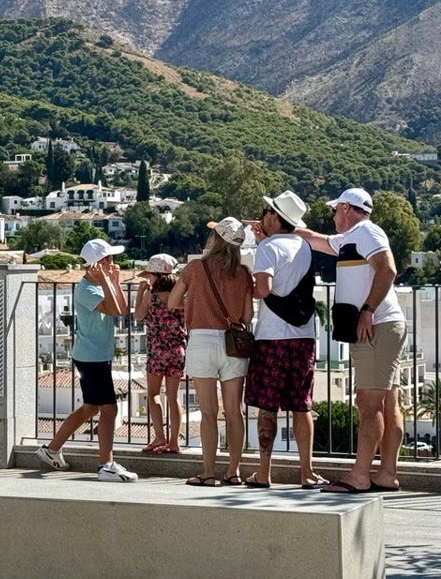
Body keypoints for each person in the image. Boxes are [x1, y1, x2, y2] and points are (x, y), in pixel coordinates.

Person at [295, 188, 406, 493]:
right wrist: (278, 226)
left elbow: (388, 269)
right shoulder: (351, 238)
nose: (333, 216)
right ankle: (386, 474)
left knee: (368, 405)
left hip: (376, 326)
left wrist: (367, 310)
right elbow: (316, 239)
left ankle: (359, 477)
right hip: (384, 326)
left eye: (335, 210)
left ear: (346, 207)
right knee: (387, 400)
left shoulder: (367, 232)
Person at [242, 191, 328, 489]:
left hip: (272, 336)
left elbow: (263, 289)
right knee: (302, 405)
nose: (263, 214)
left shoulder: (267, 248)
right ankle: (307, 472)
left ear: (275, 217)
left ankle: (264, 472)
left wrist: (245, 287)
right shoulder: (304, 246)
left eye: (266, 210)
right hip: (304, 335)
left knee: (268, 406)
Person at [38, 238, 137, 482]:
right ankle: (106, 464)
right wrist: (107, 281)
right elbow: (114, 310)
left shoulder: (100, 284)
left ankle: (51, 449)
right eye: (109, 259)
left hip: (95, 355)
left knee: (91, 407)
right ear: (98, 263)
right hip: (91, 357)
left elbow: (123, 311)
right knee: (110, 409)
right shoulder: (86, 290)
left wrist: (114, 282)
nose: (113, 263)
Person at [168, 218, 254, 487]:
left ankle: (207, 473)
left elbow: (172, 302)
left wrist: (196, 302)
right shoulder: (243, 273)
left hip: (202, 340)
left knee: (207, 412)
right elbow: (247, 315)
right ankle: (234, 471)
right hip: (233, 344)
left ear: (215, 239)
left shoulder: (195, 268)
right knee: (234, 411)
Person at [134, 253, 186, 454]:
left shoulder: (152, 296)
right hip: (177, 350)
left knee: (154, 394)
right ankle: (174, 442)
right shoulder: (180, 297)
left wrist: (140, 293)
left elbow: (139, 315)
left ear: (155, 276)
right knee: (173, 397)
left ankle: (159, 437)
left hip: (157, 351)